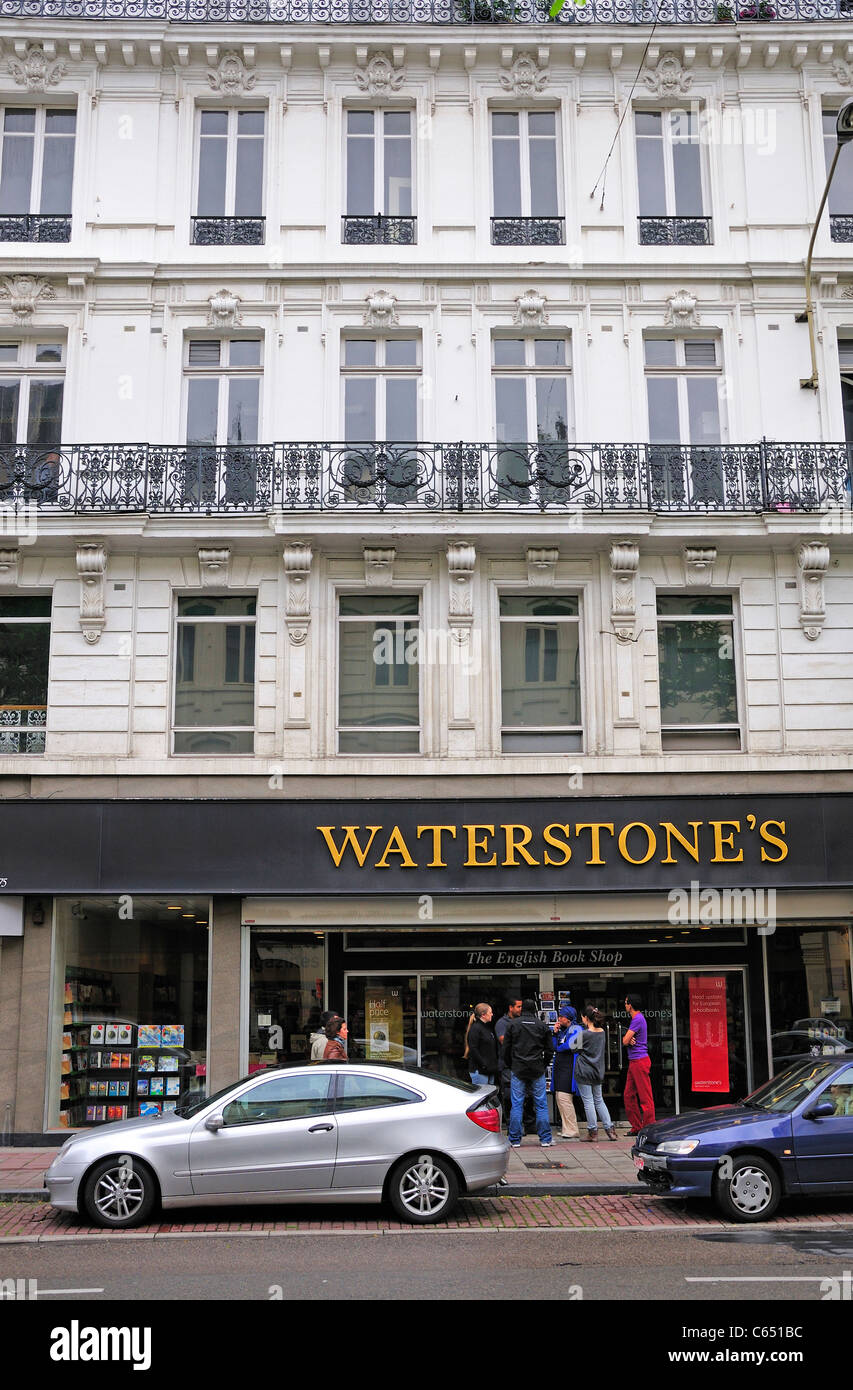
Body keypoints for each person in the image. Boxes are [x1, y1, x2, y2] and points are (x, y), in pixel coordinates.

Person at [501, 997, 554, 1148]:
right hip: (537, 1069)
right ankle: (545, 1139)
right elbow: (550, 1050)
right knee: (541, 1104)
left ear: (522, 1009)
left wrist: (511, 1065)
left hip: (518, 1068)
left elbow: (505, 1049)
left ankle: (514, 1139)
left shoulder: (513, 1025)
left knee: (517, 1104)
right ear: (535, 1010)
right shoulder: (541, 1025)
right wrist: (543, 1064)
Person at [573, 1006, 618, 1142]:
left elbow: (573, 1048)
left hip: (584, 1071)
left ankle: (593, 1132)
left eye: (582, 1018)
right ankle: (610, 1130)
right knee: (599, 1100)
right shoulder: (602, 1032)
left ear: (586, 1018)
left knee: (588, 1101)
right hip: (598, 1071)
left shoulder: (584, 1034)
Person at [623, 993, 656, 1135]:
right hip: (634, 1061)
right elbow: (628, 1039)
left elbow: (624, 1041)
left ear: (630, 1005)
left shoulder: (637, 1019)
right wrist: (628, 1038)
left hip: (639, 1061)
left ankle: (648, 1127)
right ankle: (637, 1126)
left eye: (626, 1003)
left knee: (645, 1097)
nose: (625, 1005)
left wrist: (627, 1038)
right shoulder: (637, 1020)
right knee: (628, 1095)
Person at [550, 1005, 582, 1139]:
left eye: (561, 1016)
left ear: (568, 1018)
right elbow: (554, 1046)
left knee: (565, 1098)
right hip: (560, 1067)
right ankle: (566, 1127)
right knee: (559, 1097)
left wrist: (559, 1047)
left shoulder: (577, 1029)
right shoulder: (563, 1031)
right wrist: (555, 1033)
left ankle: (572, 1129)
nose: (559, 1019)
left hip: (569, 1068)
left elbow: (571, 1045)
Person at [494, 998, 522, 1124]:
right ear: (511, 1008)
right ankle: (510, 1123)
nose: (520, 1009)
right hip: (507, 1065)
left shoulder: (519, 1021)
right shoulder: (502, 1023)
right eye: (518, 1007)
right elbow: (503, 1041)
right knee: (509, 1094)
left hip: (520, 1064)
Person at [464, 1002, 498, 1086]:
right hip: (480, 1071)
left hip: (489, 1070)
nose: (492, 1014)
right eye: (490, 1012)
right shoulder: (475, 1029)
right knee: (482, 1096)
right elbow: (473, 1049)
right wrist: (483, 1065)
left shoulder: (486, 1027)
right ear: (483, 1014)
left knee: (489, 1097)